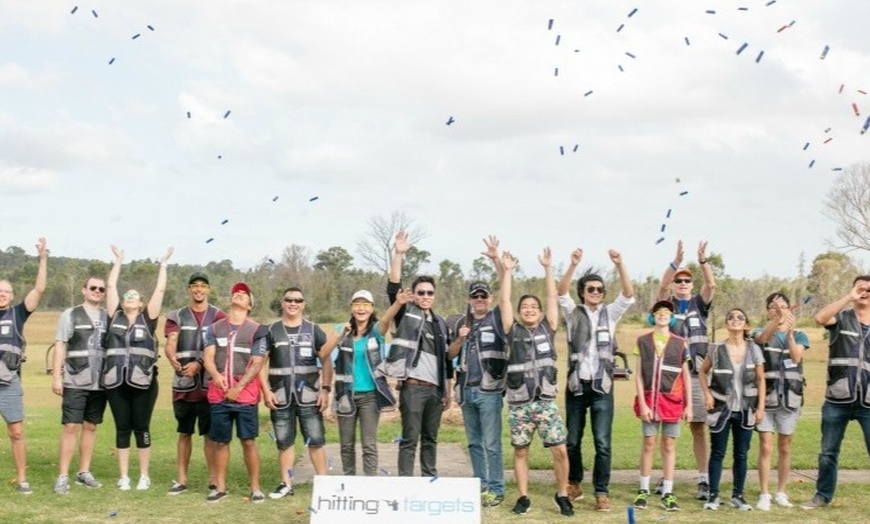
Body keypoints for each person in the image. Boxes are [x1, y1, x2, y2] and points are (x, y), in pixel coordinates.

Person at [557, 248, 635, 512]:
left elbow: (628, 294)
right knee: (573, 440)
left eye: (600, 289)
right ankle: (574, 483)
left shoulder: (610, 314)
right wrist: (572, 264)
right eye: (590, 289)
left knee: (602, 442)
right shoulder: (572, 312)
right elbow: (560, 292)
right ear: (582, 291)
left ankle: (601, 491)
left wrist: (620, 263)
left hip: (602, 386)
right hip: (577, 384)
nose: (596, 293)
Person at [498, 248, 572, 516]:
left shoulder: (548, 327)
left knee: (561, 450)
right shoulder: (512, 330)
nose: (529, 310)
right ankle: (524, 497)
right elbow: (504, 301)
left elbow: (553, 296)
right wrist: (507, 271)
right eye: (524, 307)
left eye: (533, 307)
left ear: (540, 313)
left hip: (545, 402)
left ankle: (562, 494)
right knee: (520, 452)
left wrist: (548, 268)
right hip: (519, 404)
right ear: (519, 312)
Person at [376, 230, 453, 478]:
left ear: (434, 295)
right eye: (421, 292)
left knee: (431, 439)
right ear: (414, 294)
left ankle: (429, 481)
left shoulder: (441, 323)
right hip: (412, 388)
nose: (425, 297)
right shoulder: (406, 313)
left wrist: (448, 390)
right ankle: (405, 484)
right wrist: (398, 254)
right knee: (410, 439)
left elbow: (447, 362)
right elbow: (393, 288)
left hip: (436, 390)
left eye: (429, 293)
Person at [103, 245, 172, 491]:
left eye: (135, 296)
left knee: (141, 427)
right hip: (115, 383)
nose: (130, 298)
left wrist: (163, 264)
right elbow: (111, 287)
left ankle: (144, 475)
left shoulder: (148, 318)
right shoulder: (114, 318)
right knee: (122, 428)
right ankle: (124, 477)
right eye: (127, 296)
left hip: (143, 383)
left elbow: (160, 289)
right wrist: (118, 261)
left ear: (141, 303)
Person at [260, 286, 338, 499]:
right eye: (289, 300)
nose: (293, 303)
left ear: (303, 304)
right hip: (280, 395)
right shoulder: (270, 330)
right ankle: (286, 484)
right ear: (282, 303)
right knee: (284, 441)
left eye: (297, 300)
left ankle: (324, 483)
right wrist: (266, 392)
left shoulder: (314, 330)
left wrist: (325, 389)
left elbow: (326, 359)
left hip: (310, 396)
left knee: (316, 440)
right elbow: (259, 364)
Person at [447, 236, 508, 507]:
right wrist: (459, 338)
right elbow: (448, 354)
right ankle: (480, 485)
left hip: (489, 391)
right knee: (473, 443)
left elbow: (506, 297)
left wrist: (497, 261)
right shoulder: (461, 320)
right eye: (475, 296)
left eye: (484, 295)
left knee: (492, 444)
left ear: (489, 298)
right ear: (469, 299)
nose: (480, 299)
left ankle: (496, 488)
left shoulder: (496, 318)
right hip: (466, 390)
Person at [801, 276, 870, 510]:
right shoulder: (841, 318)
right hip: (837, 399)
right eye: (860, 288)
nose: (864, 292)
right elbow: (820, 318)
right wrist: (848, 298)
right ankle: (822, 496)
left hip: (869, 401)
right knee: (828, 452)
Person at [656, 240, 716, 500]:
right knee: (668, 428)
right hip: (670, 374)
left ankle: (703, 479)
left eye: (686, 281)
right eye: (678, 280)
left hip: (695, 373)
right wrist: (675, 261)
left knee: (698, 426)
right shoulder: (665, 307)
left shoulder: (699, 305)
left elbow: (711, 285)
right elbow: (660, 286)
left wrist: (702, 262)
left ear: (691, 285)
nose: (682, 284)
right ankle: (665, 477)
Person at [202, 282, 269, 503]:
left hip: (245, 396)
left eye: (244, 294)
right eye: (235, 293)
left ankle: (255, 488)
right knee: (220, 442)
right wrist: (216, 375)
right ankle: (220, 487)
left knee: (248, 441)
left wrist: (238, 388)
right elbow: (208, 357)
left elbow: (257, 362)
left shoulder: (258, 329)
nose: (238, 295)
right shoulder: (214, 328)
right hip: (219, 394)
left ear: (250, 305)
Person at [164, 272, 226, 495]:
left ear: (208, 289)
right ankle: (181, 479)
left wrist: (199, 363)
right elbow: (171, 341)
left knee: (210, 434)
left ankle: (212, 480)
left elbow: (221, 347)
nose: (198, 289)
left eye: (202, 286)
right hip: (184, 383)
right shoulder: (176, 315)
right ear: (188, 289)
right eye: (194, 286)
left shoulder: (219, 316)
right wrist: (172, 357)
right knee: (184, 431)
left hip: (210, 384)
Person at [698, 307, 765, 511]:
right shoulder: (716, 349)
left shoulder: (754, 349)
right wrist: (707, 393)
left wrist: (760, 407)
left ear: (745, 325)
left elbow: (761, 380)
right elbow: (702, 372)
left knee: (741, 454)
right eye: (730, 317)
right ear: (726, 324)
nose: (735, 320)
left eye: (740, 317)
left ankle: (738, 495)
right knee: (718, 452)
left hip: (745, 410)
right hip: (720, 409)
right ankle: (713, 496)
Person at [53, 271, 111, 494]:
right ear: (84, 290)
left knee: (90, 426)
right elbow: (60, 344)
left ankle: (83, 472)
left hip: (100, 382)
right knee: (70, 426)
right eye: (93, 288)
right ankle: (62, 476)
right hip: (75, 379)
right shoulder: (71, 314)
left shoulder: (108, 316)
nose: (97, 292)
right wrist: (57, 377)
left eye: (101, 289)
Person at [632, 300, 691, 512]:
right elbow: (638, 375)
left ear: (672, 317)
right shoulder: (642, 341)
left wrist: (689, 406)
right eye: (658, 311)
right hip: (649, 402)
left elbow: (686, 376)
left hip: (672, 402)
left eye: (667, 312)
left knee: (669, 445)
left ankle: (668, 492)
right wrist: (643, 403)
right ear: (652, 316)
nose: (663, 314)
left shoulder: (681, 342)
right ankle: (643, 490)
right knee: (649, 443)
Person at [752, 293, 808, 510]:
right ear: (768, 310)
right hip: (765, 399)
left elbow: (796, 358)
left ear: (790, 309)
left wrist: (791, 334)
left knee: (785, 446)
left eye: (784, 307)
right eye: (774, 307)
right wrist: (776, 321)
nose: (780, 310)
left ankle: (781, 492)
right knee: (765, 446)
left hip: (791, 398)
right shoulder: (759, 331)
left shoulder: (801, 334)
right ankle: (764, 493)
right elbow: (763, 339)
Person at [0, 237, 47, 494]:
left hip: (8, 383)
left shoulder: (17, 313)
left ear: (12, 295)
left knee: (16, 432)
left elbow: (39, 290)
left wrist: (42, 259)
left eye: (5, 291)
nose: (2, 294)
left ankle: (22, 479)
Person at [332, 290, 396, 477]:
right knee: (346, 444)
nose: (361, 308)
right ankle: (349, 481)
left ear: (372, 308)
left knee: (368, 444)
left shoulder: (376, 331)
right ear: (351, 308)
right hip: (345, 395)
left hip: (369, 395)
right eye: (357, 304)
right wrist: (340, 335)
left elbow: (387, 319)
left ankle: (369, 483)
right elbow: (324, 352)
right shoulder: (341, 330)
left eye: (366, 304)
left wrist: (398, 303)